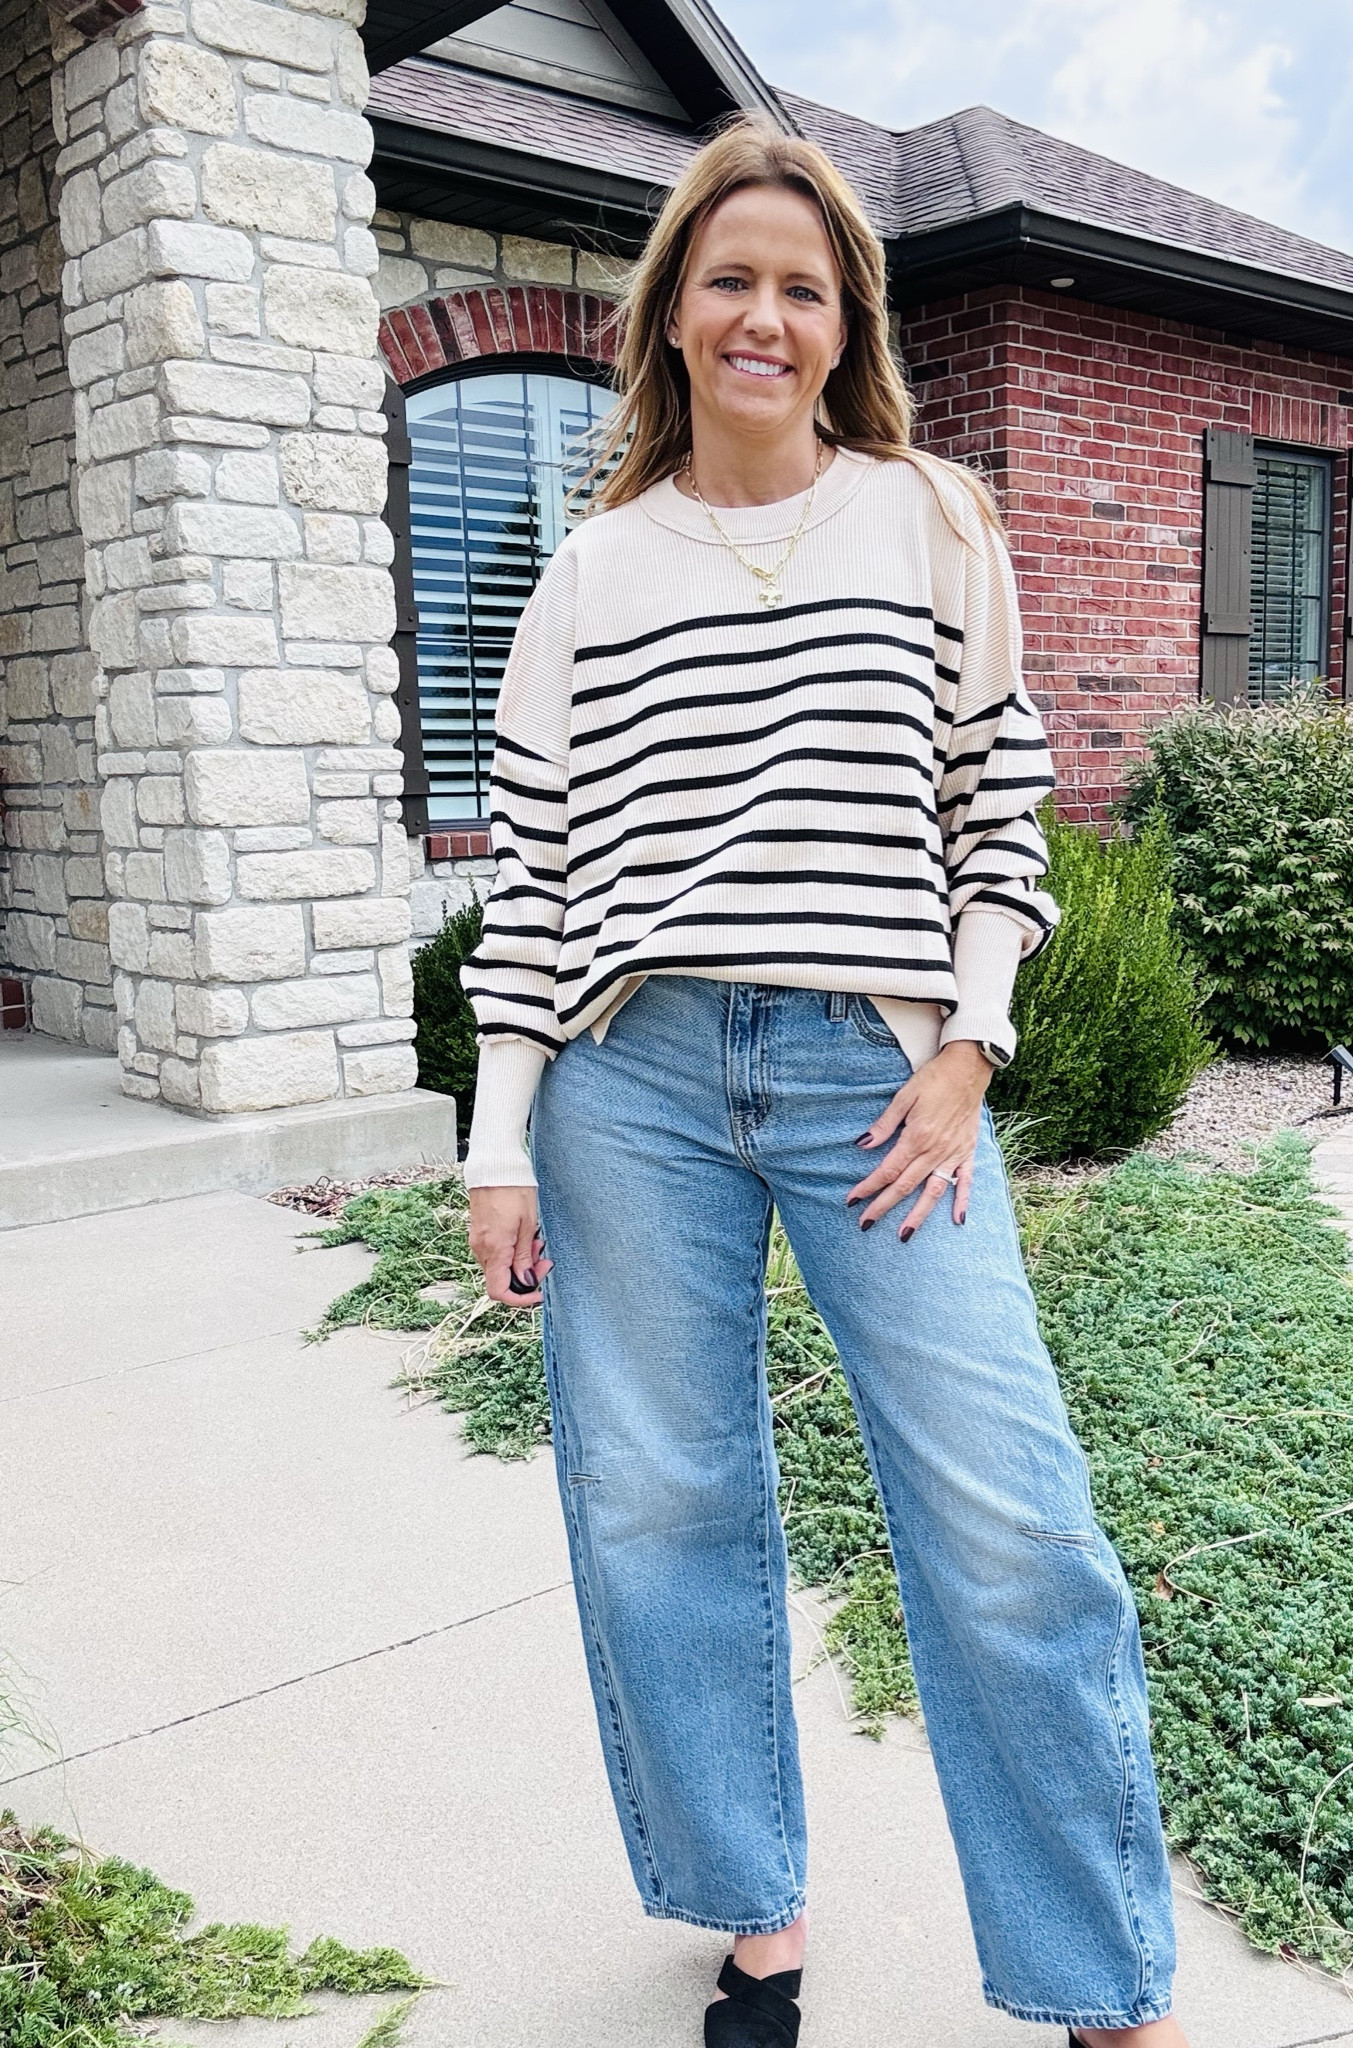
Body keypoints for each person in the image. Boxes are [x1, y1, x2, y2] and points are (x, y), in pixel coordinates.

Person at [462, 115, 1191, 2048]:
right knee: (658, 1504)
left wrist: (968, 1052)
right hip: (631, 1075)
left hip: (878, 1080)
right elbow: (531, 882)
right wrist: (499, 1141)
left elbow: (999, 808)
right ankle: (753, 1914)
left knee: (1010, 1522)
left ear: (842, 315)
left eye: (801, 283)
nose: (763, 313)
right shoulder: (592, 566)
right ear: (673, 315)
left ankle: (1103, 1989)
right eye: (729, 279)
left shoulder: (929, 516)